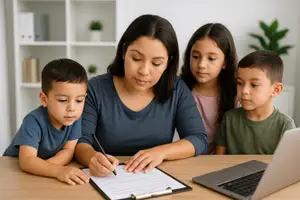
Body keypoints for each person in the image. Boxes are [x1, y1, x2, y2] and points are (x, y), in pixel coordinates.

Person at [75, 14, 208, 177]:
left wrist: (161, 152)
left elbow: (198, 139)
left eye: (156, 63)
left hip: (155, 181)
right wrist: (92, 158)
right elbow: (81, 141)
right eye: (136, 58)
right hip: (107, 179)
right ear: (124, 51)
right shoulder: (96, 88)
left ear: (168, 62)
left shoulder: (177, 88)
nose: (144, 71)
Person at [3, 58, 90, 185]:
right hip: (12, 169)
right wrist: (57, 171)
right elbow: (27, 160)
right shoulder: (33, 121)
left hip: (37, 171)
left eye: (79, 100)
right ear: (44, 99)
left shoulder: (74, 118)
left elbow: (68, 150)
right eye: (62, 100)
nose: (72, 108)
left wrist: (45, 168)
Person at [216, 50, 296, 154]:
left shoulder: (285, 126)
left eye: (254, 85)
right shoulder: (229, 119)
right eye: (240, 83)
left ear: (276, 90)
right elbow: (218, 160)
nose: (244, 91)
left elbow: (289, 165)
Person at [180, 23, 238, 153]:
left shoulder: (236, 94)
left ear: (225, 62)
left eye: (211, 58)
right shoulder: (180, 90)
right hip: (186, 160)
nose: (201, 65)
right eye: (195, 56)